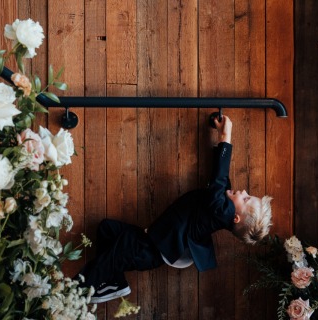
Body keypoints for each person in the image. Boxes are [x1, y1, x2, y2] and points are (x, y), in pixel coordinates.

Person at [77, 115, 273, 304]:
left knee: (117, 250)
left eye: (246, 198)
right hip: (149, 241)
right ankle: (115, 282)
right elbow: (219, 181)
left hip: (150, 251)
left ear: (236, 218)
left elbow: (219, 179)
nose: (244, 191)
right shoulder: (218, 206)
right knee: (106, 229)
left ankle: (75, 291)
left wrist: (225, 137)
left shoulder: (220, 211)